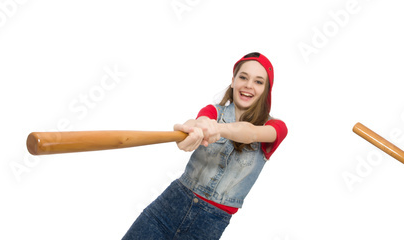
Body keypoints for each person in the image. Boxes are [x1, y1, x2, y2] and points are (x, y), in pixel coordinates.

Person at [123, 52, 288, 239]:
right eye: (243, 77)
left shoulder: (275, 128)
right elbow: (199, 122)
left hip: (207, 227)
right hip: (169, 206)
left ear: (266, 90)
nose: (248, 85)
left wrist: (219, 129)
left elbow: (251, 133)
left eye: (258, 82)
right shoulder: (213, 112)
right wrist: (189, 130)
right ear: (233, 81)